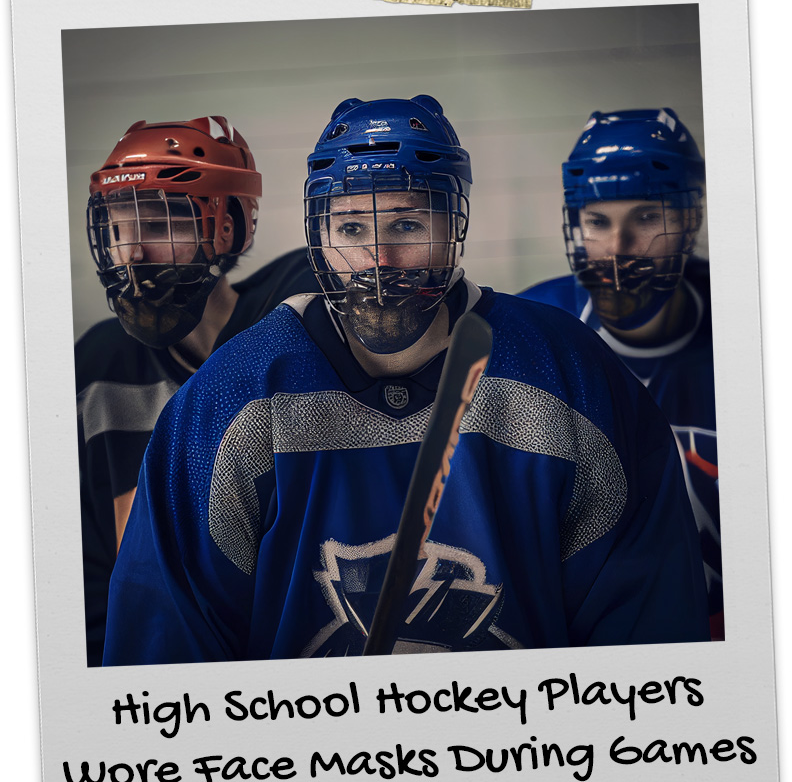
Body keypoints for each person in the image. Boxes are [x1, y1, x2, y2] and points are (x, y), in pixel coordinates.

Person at [103, 95, 710, 665]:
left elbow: (646, 639)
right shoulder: (228, 397)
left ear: (453, 228)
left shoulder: (569, 372)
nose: (378, 260)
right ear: (318, 234)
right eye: (351, 230)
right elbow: (165, 658)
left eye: (405, 227)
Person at [77, 116, 317, 665]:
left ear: (228, 228)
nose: (133, 254)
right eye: (119, 227)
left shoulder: (298, 328)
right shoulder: (96, 371)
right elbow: (88, 590)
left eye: (161, 223)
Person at [519, 109, 722, 638]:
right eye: (598, 222)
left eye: (647, 218)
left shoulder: (755, 322)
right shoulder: (529, 336)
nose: (617, 250)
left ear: (690, 218)